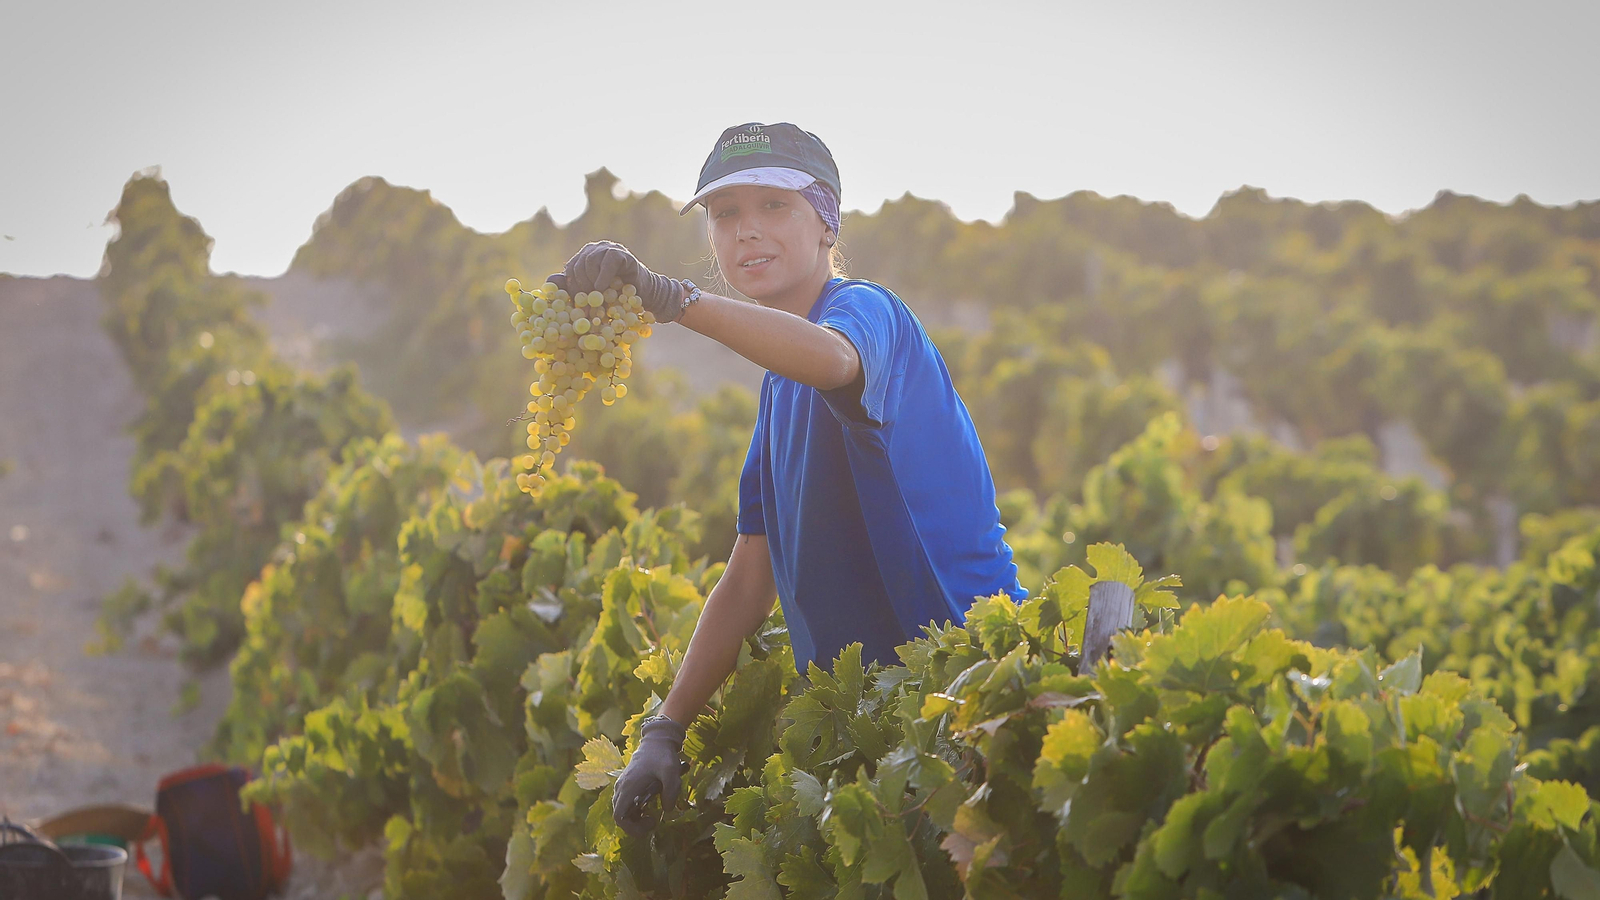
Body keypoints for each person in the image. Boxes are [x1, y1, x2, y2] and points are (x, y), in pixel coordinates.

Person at [543, 122, 1025, 836]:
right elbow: (749, 576)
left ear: (826, 221)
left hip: (972, 695)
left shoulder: (867, 314)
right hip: (870, 730)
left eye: (774, 205)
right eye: (725, 213)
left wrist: (674, 300)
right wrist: (666, 728)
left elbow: (834, 361)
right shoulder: (778, 390)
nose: (746, 230)